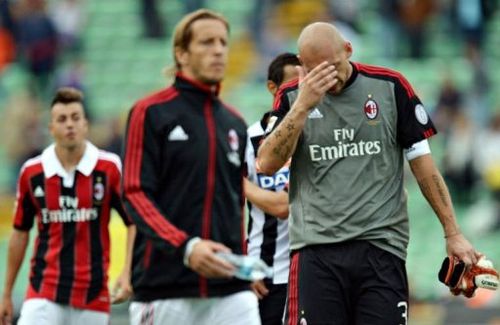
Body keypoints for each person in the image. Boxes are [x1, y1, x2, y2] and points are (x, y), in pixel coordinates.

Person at [257, 22, 481, 324]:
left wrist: (452, 233)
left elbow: (424, 165)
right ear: (301, 66)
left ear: (348, 50)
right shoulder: (290, 97)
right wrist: (302, 106)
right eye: (315, 72)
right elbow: (266, 163)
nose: (329, 79)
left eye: (333, 66)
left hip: (380, 247)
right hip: (317, 252)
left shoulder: (390, 87)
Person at [122, 9, 260, 325]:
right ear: (182, 54)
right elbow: (134, 193)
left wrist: (243, 264)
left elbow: (234, 203)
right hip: (164, 289)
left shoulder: (235, 122)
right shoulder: (150, 112)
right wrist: (187, 247)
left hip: (230, 290)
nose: (218, 50)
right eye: (207, 42)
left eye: (223, 43)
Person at [0, 87, 136, 325]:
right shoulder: (33, 172)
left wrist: (127, 272)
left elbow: (133, 221)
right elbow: (20, 232)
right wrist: (7, 293)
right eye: (62, 119)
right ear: (51, 128)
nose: (69, 125)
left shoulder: (109, 168)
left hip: (93, 295)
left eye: (75, 118)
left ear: (85, 124)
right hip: (44, 292)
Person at [245, 52, 299, 325]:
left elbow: (283, 206)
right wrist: (243, 266)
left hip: (310, 271)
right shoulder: (248, 140)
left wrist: (241, 185)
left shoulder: (318, 135)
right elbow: (228, 211)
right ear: (272, 88)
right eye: (292, 84)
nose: (300, 92)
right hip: (263, 274)